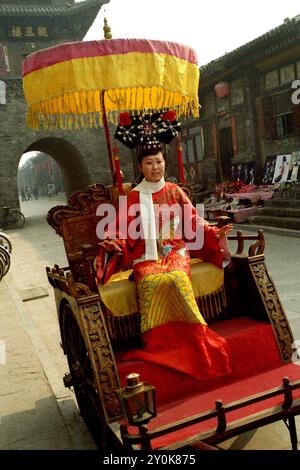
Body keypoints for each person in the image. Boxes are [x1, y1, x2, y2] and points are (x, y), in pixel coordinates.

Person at [97, 112, 232, 380]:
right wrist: (114, 240)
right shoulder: (134, 195)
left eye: (158, 161)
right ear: (141, 167)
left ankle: (193, 336)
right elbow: (123, 227)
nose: (155, 167)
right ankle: (158, 344)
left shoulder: (174, 190)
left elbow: (193, 220)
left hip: (175, 252)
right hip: (146, 257)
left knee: (177, 280)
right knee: (151, 283)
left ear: (164, 162)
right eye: (149, 163)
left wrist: (214, 232)